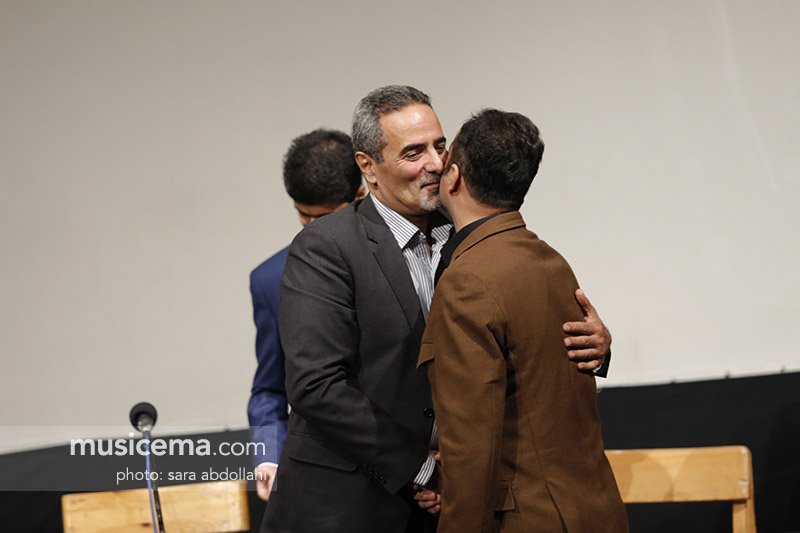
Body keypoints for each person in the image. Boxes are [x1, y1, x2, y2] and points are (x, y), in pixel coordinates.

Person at [262, 86, 612, 533]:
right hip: (349, 505)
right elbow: (316, 385)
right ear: (368, 166)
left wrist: (597, 347)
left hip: (452, 503)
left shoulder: (473, 231)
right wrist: (423, 468)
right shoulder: (326, 246)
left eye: (440, 146)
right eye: (413, 152)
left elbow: (523, 323)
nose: (435, 163)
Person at [418, 109, 628, 532]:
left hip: (530, 518)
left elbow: (472, 444)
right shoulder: (552, 261)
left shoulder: (467, 280)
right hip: (596, 511)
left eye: (445, 154)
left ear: (454, 177)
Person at [247, 129, 364, 501]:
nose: (312, 230)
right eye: (304, 215)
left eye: (325, 217)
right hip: (329, 482)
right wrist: (268, 455)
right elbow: (269, 387)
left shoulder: (402, 254)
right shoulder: (269, 279)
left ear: (360, 196)